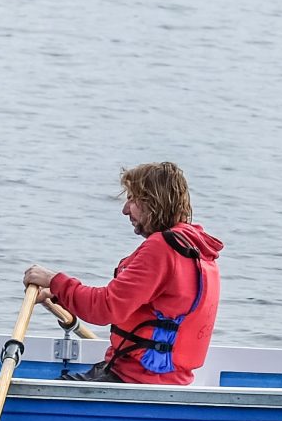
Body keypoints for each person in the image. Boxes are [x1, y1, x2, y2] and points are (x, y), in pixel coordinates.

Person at [25, 162, 223, 385]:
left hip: (137, 380)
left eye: (132, 199)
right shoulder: (193, 249)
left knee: (40, 396)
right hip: (161, 379)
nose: (125, 209)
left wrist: (54, 280)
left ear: (152, 202)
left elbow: (105, 307)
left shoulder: (162, 249)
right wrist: (57, 293)